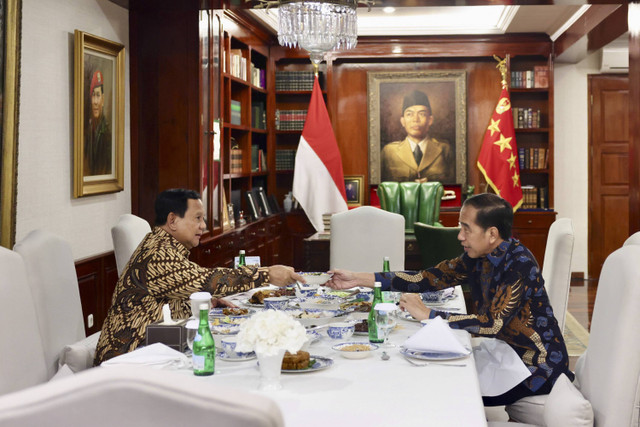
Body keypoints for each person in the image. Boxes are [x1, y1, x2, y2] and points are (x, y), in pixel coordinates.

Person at [326, 193, 573, 406]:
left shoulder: (518, 264)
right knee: (426, 370)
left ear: (492, 233)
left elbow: (491, 324)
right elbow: (427, 278)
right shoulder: (479, 255)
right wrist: (357, 278)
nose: (460, 236)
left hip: (536, 366)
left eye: (467, 228)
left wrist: (430, 315)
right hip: (505, 354)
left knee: (444, 387)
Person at [94, 188, 303, 365]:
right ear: (173, 221)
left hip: (150, 350)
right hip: (127, 360)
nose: (203, 225)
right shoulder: (158, 254)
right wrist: (266, 274)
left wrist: (207, 302)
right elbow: (207, 280)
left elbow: (163, 303)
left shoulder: (164, 246)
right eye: (197, 218)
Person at [380, 90, 455, 183]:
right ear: (402, 121)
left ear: (430, 120)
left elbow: (454, 185)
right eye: (409, 114)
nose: (415, 119)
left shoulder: (444, 150)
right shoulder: (389, 152)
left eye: (422, 114)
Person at [84, 70, 112, 176]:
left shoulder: (107, 134)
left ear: (103, 99)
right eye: (93, 96)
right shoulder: (89, 129)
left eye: (98, 95)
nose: (95, 101)